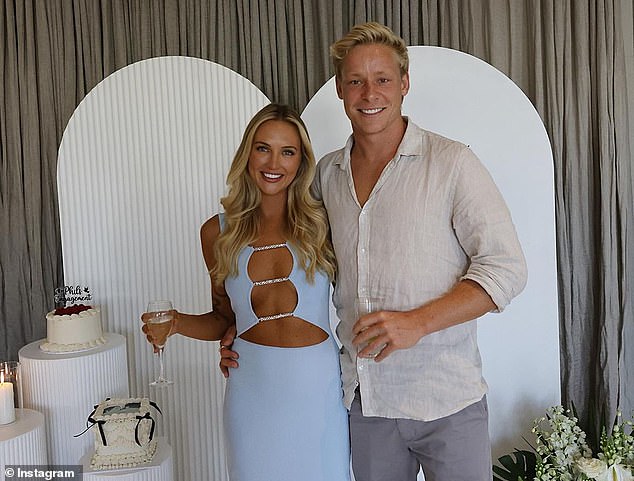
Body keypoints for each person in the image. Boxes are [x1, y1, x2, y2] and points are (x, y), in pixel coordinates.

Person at [221, 23, 528, 481]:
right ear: (341, 92)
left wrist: (416, 323)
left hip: (446, 399)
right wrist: (241, 325)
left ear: (404, 84)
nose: (369, 93)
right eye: (355, 81)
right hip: (366, 406)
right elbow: (279, 249)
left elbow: (507, 269)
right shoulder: (325, 176)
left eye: (382, 79)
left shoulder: (452, 164)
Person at [142, 103, 350, 481]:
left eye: (288, 151)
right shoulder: (216, 232)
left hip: (317, 389)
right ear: (247, 154)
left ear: (301, 162)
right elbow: (224, 319)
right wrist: (175, 324)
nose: (274, 162)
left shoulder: (326, 222)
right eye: (262, 147)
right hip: (251, 388)